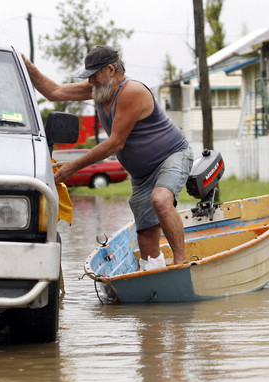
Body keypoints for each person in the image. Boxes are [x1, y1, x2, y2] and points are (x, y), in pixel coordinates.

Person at [23, 45, 193, 270]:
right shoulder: (99, 88)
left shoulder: (132, 91)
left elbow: (115, 143)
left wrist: (74, 166)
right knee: (146, 239)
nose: (90, 82)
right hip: (142, 174)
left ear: (111, 70)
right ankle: (154, 276)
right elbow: (54, 92)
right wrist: (27, 66)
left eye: (94, 76)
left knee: (161, 201)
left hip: (171, 156)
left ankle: (182, 266)